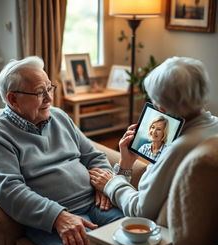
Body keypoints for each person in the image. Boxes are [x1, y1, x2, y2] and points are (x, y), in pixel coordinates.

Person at [0, 56, 124, 245]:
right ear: (13, 99)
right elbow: (9, 190)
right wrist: (57, 217)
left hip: (97, 204)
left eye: (49, 88)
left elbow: (93, 155)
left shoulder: (59, 116)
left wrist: (105, 185)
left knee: (136, 235)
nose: (49, 98)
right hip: (50, 220)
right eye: (40, 92)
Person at [89, 56, 218, 220]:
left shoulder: (179, 148)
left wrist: (111, 183)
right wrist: (126, 164)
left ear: (161, 108)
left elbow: (141, 210)